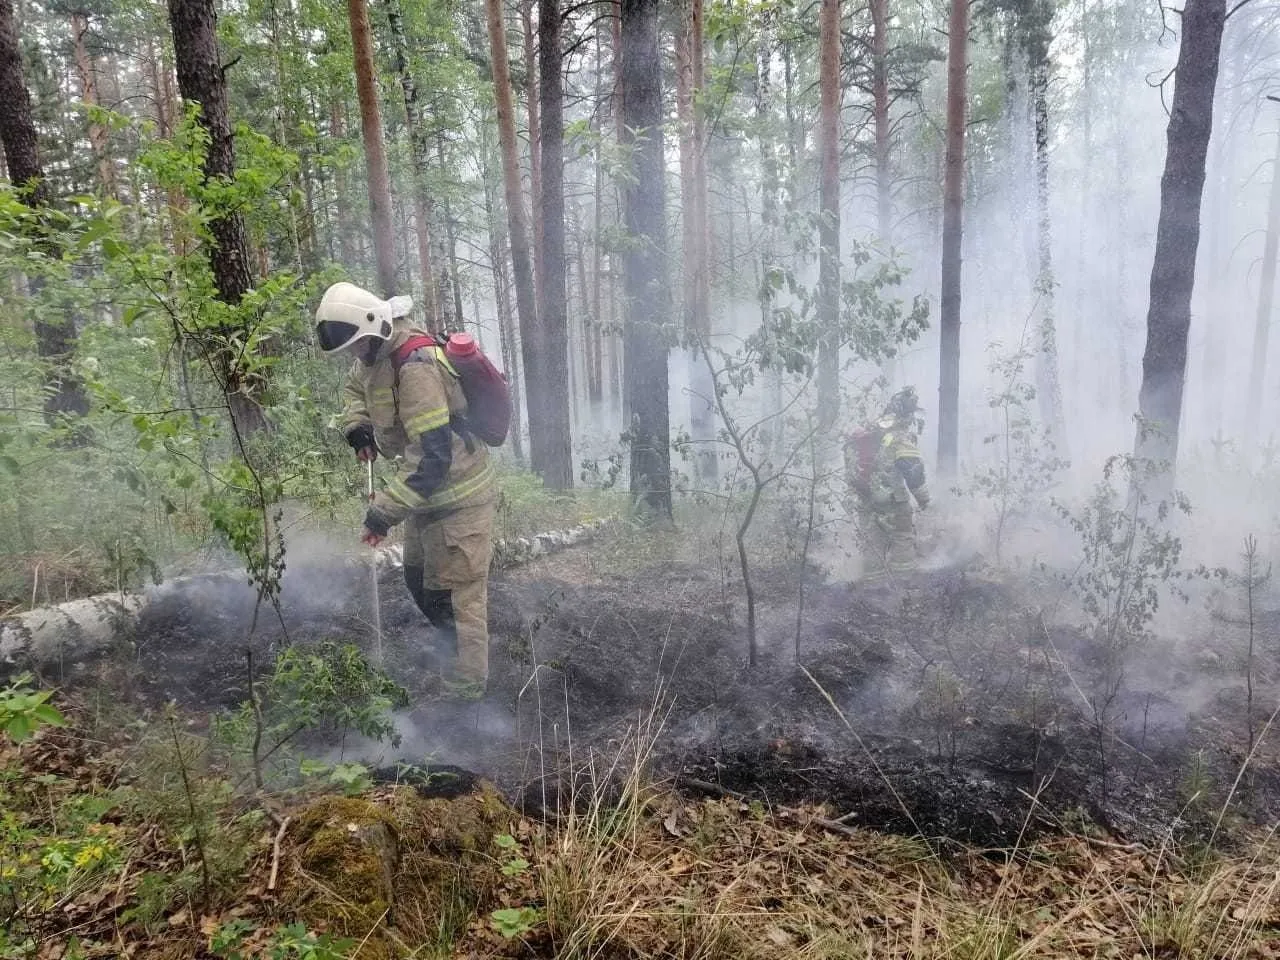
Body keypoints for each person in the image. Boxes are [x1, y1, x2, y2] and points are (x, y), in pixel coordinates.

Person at [314, 281, 496, 699]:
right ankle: (455, 659)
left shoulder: (416, 367)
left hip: (458, 497)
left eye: (357, 346)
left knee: (456, 600)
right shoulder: (373, 354)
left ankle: (466, 702)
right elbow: (355, 389)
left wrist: (383, 512)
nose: (355, 356)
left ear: (375, 325)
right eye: (351, 350)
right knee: (421, 584)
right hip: (425, 501)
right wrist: (358, 427)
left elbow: (433, 456)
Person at [844, 386, 931, 581]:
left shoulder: (871, 431)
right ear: (908, 416)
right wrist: (924, 500)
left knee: (871, 542)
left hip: (866, 499)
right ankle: (903, 584)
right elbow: (913, 471)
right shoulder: (899, 436)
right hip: (893, 502)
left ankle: (873, 586)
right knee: (902, 538)